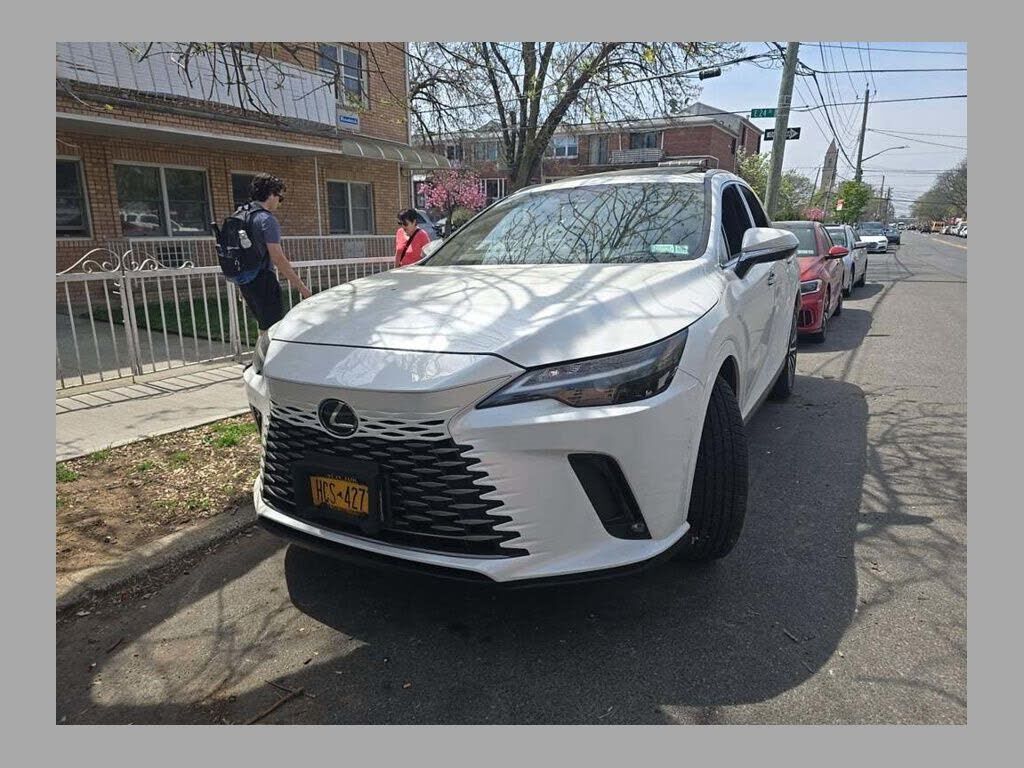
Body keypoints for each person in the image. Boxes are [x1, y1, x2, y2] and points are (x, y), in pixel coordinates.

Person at [236, 173, 311, 335]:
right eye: (280, 198)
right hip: (263, 280)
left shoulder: (241, 215)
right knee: (274, 331)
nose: (280, 203)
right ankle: (270, 360)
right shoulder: (266, 220)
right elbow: (278, 258)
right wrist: (303, 289)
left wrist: (241, 285)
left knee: (264, 327)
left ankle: (260, 359)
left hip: (246, 281)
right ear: (271, 194)